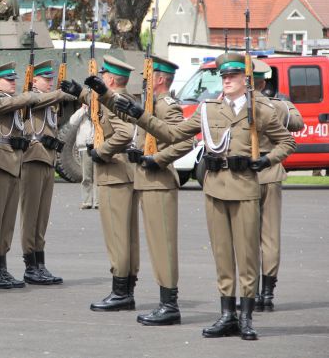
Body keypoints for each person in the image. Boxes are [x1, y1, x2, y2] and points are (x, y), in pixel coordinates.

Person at [110, 52, 296, 340]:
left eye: (232, 76)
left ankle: (246, 316)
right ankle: (227, 315)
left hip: (245, 188)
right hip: (214, 187)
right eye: (223, 76)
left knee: (246, 255)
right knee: (222, 255)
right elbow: (173, 134)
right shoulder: (208, 109)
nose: (227, 81)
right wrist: (141, 115)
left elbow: (287, 140)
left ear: (246, 80)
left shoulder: (259, 110)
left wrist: (266, 161)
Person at [118, 56, 193, 326]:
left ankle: (169, 305)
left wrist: (158, 159)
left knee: (163, 247)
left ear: (160, 79)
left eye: (148, 77)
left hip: (159, 180)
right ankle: (165, 303)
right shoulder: (149, 105)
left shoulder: (166, 106)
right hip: (146, 180)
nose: (144, 82)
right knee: (155, 246)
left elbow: (185, 142)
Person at [61, 55, 139, 312]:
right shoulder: (125, 98)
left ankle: (121, 292)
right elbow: (100, 104)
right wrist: (81, 93)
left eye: (103, 76)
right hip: (124, 173)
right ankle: (126, 288)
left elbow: (124, 133)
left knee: (117, 237)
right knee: (127, 237)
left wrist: (101, 151)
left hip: (114, 173)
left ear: (111, 79)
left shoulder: (113, 101)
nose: (100, 79)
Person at [0, 62, 39, 289]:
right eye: (8, 79)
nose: (13, 82)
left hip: (14, 163)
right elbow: (8, 104)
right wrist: (30, 94)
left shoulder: (14, 101)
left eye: (15, 79)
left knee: (7, 222)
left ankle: (2, 266)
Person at [252, 59, 303, 312]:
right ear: (265, 81)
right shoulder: (278, 106)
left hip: (247, 173)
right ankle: (268, 292)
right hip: (271, 170)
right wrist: (284, 102)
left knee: (246, 236)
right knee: (270, 237)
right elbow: (298, 123)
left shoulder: (241, 106)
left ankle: (249, 291)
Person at [19, 60, 74, 285]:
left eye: (52, 79)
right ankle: (30, 265)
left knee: (42, 217)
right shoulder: (31, 98)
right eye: (46, 79)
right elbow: (42, 99)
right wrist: (64, 92)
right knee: (30, 216)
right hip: (32, 159)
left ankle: (39, 263)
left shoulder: (50, 101)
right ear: (34, 81)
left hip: (48, 159)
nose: (50, 83)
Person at [68, 104, 97, 209]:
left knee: (98, 176)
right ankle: (87, 201)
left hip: (98, 145)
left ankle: (98, 202)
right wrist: (83, 109)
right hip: (85, 147)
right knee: (86, 177)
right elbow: (72, 121)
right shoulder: (83, 112)